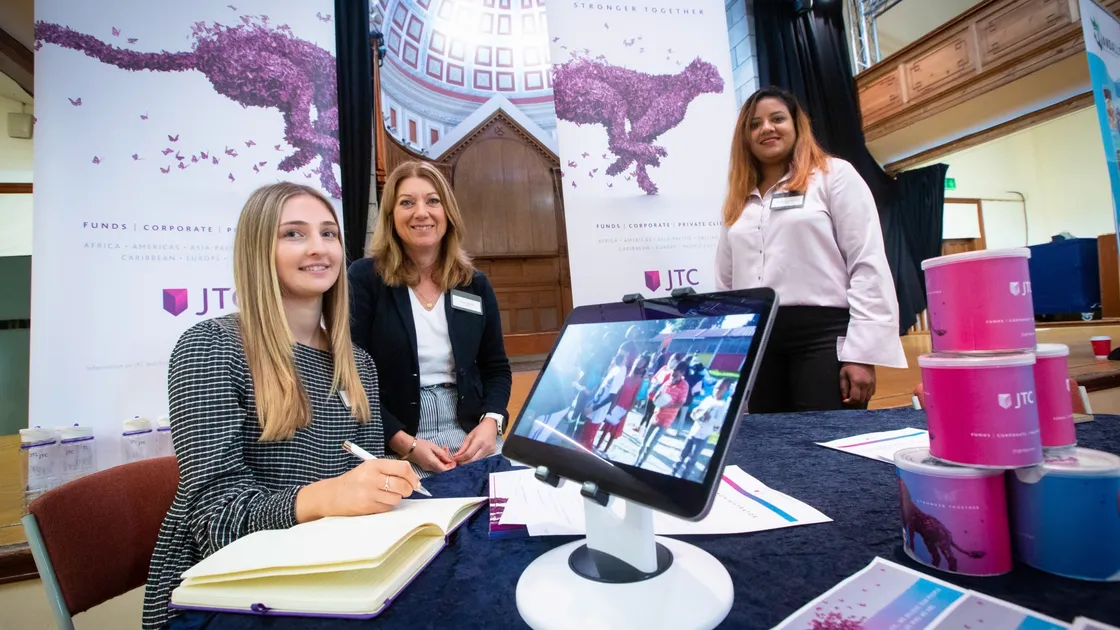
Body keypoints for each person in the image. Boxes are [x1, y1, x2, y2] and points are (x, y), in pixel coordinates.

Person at [143, 183, 421, 630]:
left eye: (329, 233)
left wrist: (386, 486)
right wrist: (328, 496)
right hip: (220, 594)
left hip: (324, 570)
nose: (319, 248)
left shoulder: (358, 364)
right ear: (258, 251)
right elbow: (214, 520)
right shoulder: (211, 347)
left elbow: (367, 477)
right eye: (294, 234)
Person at [715, 87, 907, 413]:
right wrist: (732, 352)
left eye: (777, 119)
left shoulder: (834, 176)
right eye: (755, 124)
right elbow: (726, 283)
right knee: (770, 441)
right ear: (745, 137)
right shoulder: (737, 199)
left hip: (823, 337)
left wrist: (862, 353)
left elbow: (866, 262)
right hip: (759, 341)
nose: (766, 128)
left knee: (828, 440)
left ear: (796, 125)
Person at [349, 161, 512, 478]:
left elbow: (496, 368)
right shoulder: (365, 279)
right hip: (392, 433)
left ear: (448, 212)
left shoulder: (474, 284)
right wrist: (403, 443)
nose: (421, 212)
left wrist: (492, 421)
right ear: (391, 216)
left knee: (508, 499)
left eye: (433, 201)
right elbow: (351, 377)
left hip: (469, 428)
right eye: (407, 202)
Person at [673, 379, 732, 479]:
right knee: (682, 455)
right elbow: (694, 414)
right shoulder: (708, 400)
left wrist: (710, 418)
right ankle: (673, 472)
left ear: (725, 390)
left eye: (721, 388)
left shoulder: (722, 405)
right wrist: (696, 412)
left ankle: (684, 477)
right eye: (716, 387)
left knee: (692, 459)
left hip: (703, 436)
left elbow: (717, 426)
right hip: (693, 432)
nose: (717, 390)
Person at [635, 364, 690, 467]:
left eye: (676, 375)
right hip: (656, 415)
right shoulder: (668, 382)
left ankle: (640, 463)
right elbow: (657, 395)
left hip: (667, 419)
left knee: (651, 444)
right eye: (673, 374)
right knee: (644, 440)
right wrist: (656, 399)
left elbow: (680, 403)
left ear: (682, 373)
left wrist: (667, 405)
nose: (673, 376)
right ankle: (636, 460)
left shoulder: (684, 386)